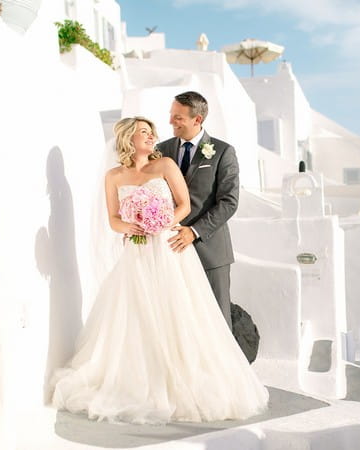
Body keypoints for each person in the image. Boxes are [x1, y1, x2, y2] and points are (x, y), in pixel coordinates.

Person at [51, 116, 268, 424]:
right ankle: (140, 381)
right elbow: (113, 218)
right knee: (139, 314)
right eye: (144, 132)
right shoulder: (113, 176)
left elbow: (184, 205)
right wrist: (130, 225)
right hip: (137, 252)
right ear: (129, 138)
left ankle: (186, 379)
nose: (152, 136)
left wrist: (162, 222)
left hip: (168, 249)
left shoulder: (165, 165)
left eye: (152, 131)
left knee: (178, 311)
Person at [156, 91, 238, 329]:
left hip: (210, 250)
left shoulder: (223, 152)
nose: (171, 121)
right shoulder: (161, 150)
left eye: (178, 117)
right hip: (171, 250)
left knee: (217, 319)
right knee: (177, 319)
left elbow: (229, 201)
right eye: (171, 115)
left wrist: (193, 231)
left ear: (197, 120)